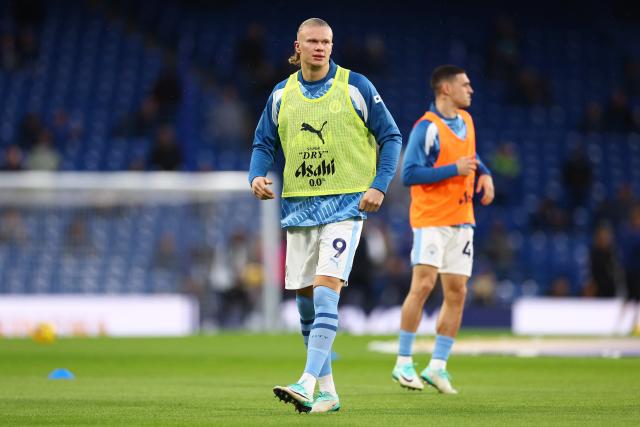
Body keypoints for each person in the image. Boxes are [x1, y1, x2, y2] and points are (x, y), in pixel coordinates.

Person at [249, 18, 401, 413]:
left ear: (333, 46)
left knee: (325, 288)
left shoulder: (356, 86)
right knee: (305, 304)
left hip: (345, 205)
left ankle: (306, 380)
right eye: (312, 41)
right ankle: (329, 394)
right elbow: (264, 142)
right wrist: (256, 176)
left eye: (326, 42)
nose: (320, 47)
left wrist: (379, 185)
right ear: (297, 47)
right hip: (299, 207)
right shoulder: (281, 94)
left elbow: (391, 136)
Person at [392, 65, 494, 394]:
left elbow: (470, 155)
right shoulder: (426, 128)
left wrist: (485, 172)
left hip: (462, 219)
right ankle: (403, 362)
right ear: (446, 89)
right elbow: (409, 174)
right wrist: (454, 170)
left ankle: (438, 366)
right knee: (422, 286)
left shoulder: (466, 121)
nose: (471, 89)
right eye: (465, 84)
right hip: (432, 219)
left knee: (458, 292)